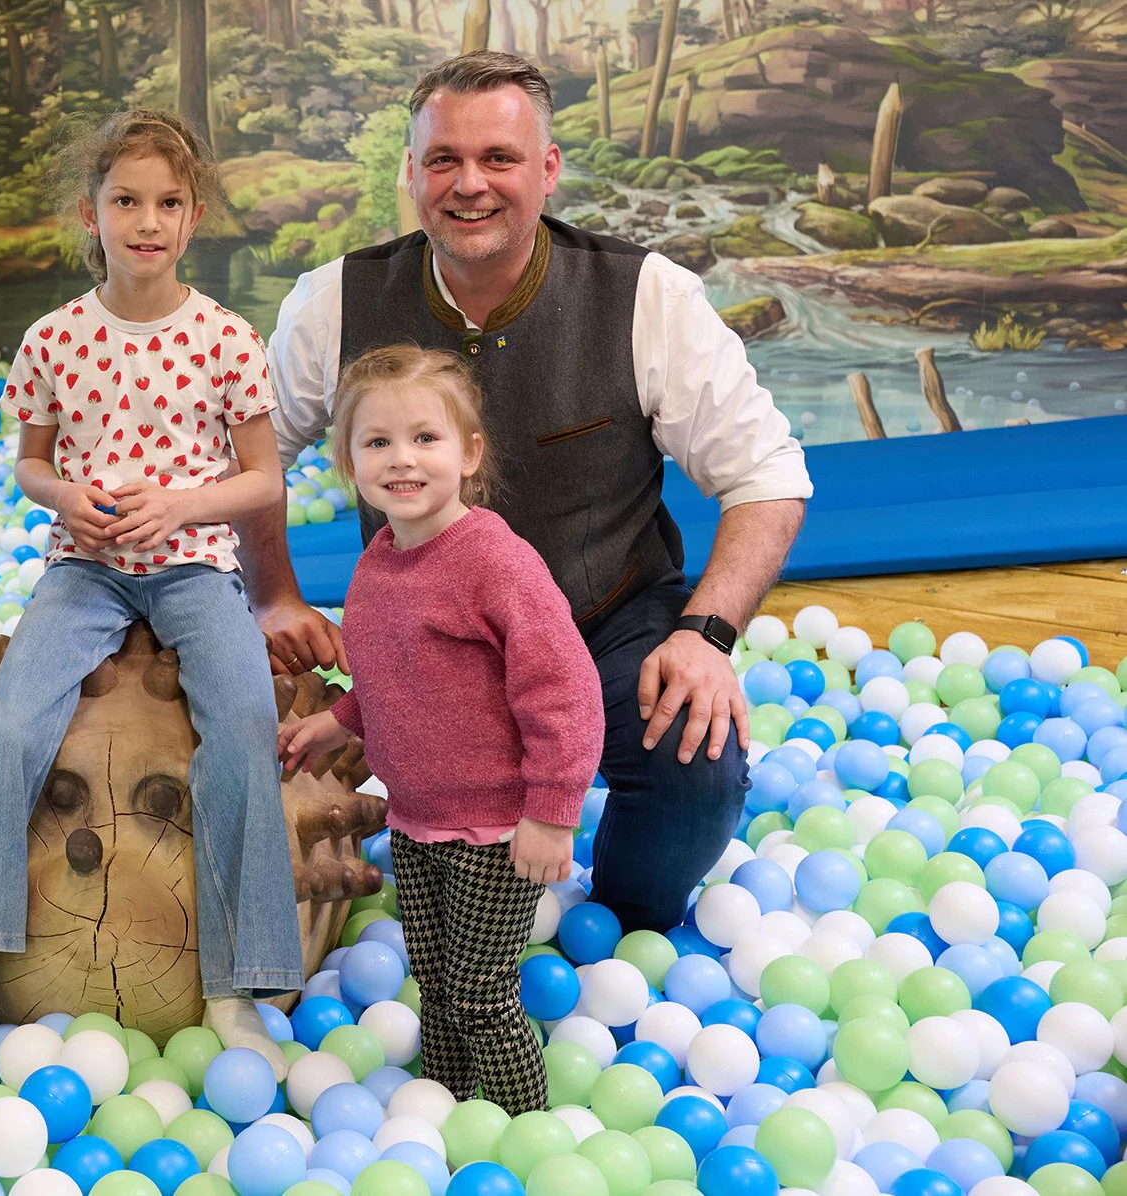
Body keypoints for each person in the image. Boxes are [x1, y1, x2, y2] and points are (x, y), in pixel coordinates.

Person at [245, 51, 812, 934]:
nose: (470, 185)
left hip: (603, 622)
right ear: (412, 173)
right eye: (444, 160)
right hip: (423, 644)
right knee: (261, 743)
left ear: (547, 170)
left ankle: (620, 928)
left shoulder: (646, 296)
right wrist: (274, 595)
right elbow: (247, 458)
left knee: (695, 758)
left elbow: (768, 479)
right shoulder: (334, 301)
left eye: (499, 159)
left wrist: (705, 636)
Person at [0, 110, 305, 1076]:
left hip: (196, 563)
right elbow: (29, 463)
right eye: (125, 201)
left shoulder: (228, 339)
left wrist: (180, 506)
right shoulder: (55, 338)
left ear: (192, 219)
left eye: (166, 204)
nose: (145, 221)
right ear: (91, 212)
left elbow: (263, 480)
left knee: (239, 726)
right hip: (86, 566)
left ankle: (239, 987)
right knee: (15, 725)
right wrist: (71, 496)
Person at [278, 345, 601, 1113]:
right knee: (436, 977)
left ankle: (528, 1126)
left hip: (498, 827)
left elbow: (568, 693)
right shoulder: (380, 561)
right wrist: (338, 722)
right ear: (349, 462)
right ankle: (446, 1100)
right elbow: (398, 680)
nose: (403, 460)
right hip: (419, 821)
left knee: (482, 992)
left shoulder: (495, 563)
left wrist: (551, 815)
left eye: (426, 438)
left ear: (470, 451)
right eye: (378, 442)